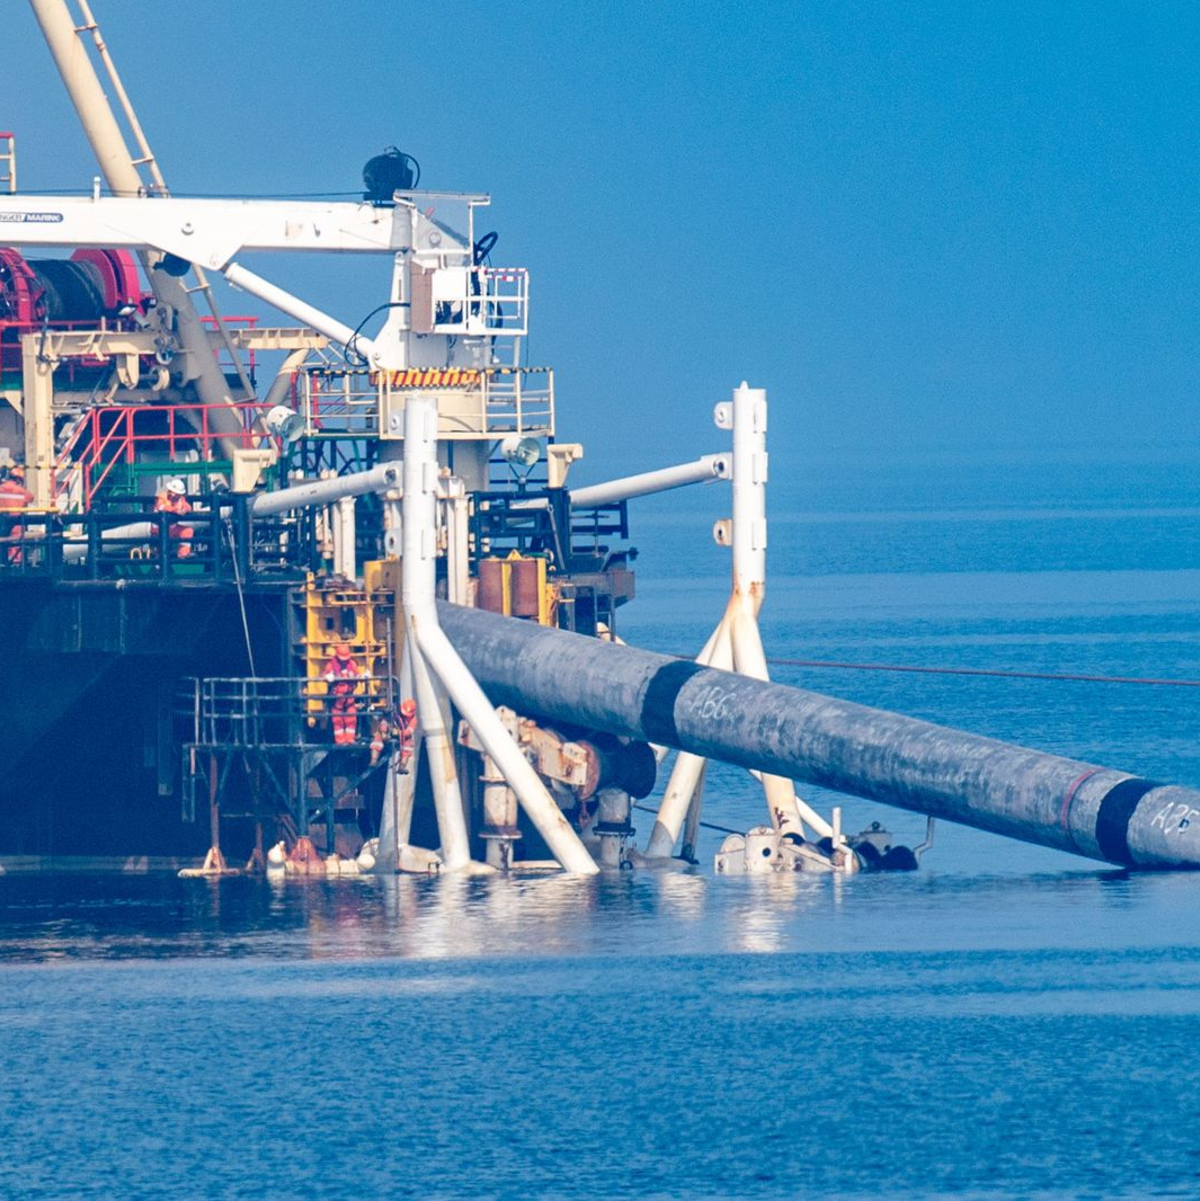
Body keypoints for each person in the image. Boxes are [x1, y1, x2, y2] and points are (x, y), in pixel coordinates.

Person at [323, 642, 362, 746]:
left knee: (351, 717)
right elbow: (325, 675)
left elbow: (358, 674)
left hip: (349, 696)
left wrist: (362, 676)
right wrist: (328, 677)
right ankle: (340, 741)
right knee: (337, 720)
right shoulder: (331, 665)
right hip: (337, 698)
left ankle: (350, 739)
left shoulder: (352, 664)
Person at [0, 466, 34, 565]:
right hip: (17, 523)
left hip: (2, 522)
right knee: (16, 544)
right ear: (19, 479)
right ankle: (15, 564)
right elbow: (31, 498)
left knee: (3, 544)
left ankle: (3, 563)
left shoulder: (1, 488)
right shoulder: (20, 491)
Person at [154, 477, 194, 558]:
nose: (174, 494)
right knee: (160, 546)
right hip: (159, 528)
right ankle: (158, 557)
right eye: (173, 492)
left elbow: (188, 507)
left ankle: (183, 554)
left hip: (173, 527)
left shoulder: (180, 499)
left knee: (188, 531)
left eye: (177, 493)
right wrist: (174, 510)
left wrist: (185, 510)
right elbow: (160, 507)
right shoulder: (162, 496)